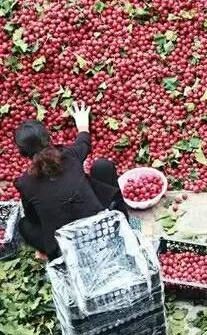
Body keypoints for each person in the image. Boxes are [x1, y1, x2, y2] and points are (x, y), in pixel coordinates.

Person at [14, 102, 127, 260]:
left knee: (24, 225)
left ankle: (49, 254)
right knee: (102, 166)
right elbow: (84, 143)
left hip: (68, 247)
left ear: (22, 153)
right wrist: (82, 126)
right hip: (101, 228)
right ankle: (123, 223)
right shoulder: (69, 154)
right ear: (49, 139)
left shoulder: (24, 183)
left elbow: (33, 218)